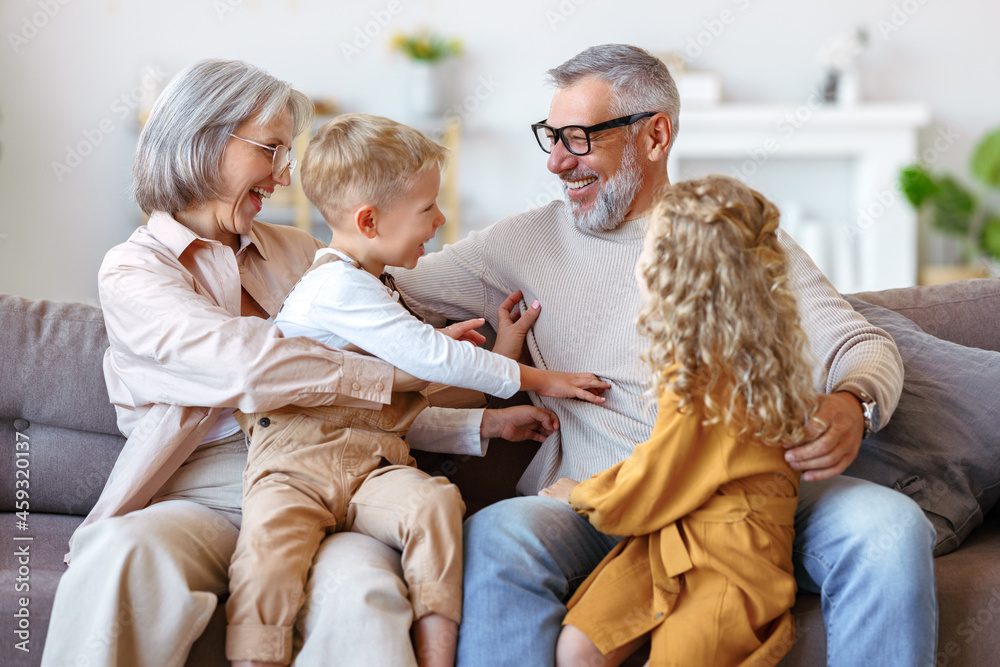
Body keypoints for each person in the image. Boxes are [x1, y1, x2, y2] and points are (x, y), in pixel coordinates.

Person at [393, 44, 938, 666]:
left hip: (738, 495)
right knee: (497, 537)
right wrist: (267, 244)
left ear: (654, 136)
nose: (555, 161)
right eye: (550, 136)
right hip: (600, 500)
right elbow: (377, 288)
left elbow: (860, 345)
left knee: (891, 528)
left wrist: (852, 403)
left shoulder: (732, 238)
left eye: (577, 138)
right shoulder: (521, 241)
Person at [39, 59, 559, 667]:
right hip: (204, 491)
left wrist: (476, 402)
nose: (285, 176)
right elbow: (249, 368)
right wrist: (409, 368)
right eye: (272, 150)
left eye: (289, 152)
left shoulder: (305, 252)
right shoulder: (135, 271)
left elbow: (363, 402)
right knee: (124, 553)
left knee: (363, 590)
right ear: (205, 140)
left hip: (330, 472)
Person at [225, 112, 608, 667]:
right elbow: (432, 358)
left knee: (435, 502)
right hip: (293, 466)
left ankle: (436, 651)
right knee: (267, 558)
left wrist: (494, 402)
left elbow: (394, 406)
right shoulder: (334, 287)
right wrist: (539, 379)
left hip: (372, 463)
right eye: (427, 209)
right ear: (370, 220)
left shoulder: (379, 291)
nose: (441, 218)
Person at [539, 175, 818, 666]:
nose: (639, 258)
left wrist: (578, 494)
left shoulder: (713, 374)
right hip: (674, 532)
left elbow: (657, 475)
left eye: (648, 246)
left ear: (678, 273)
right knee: (581, 642)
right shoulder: (710, 358)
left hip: (731, 559)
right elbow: (665, 462)